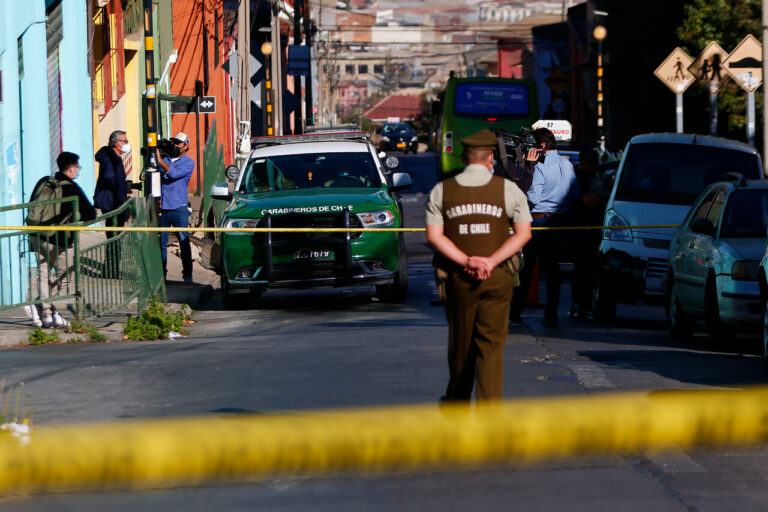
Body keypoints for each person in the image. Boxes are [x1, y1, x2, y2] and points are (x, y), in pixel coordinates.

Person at [426, 129, 532, 402]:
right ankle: (489, 414)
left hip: (458, 278)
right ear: (491, 159)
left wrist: (466, 260)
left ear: (463, 157)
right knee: (491, 346)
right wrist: (491, 261)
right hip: (498, 278)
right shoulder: (508, 189)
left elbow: (434, 236)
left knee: (461, 343)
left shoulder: (442, 190)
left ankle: (458, 402)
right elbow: (523, 234)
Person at [509, 127, 578, 327]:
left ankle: (515, 312)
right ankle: (551, 313)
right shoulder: (567, 165)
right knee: (552, 270)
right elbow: (574, 194)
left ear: (541, 146)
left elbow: (533, 197)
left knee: (527, 269)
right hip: (559, 221)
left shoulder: (539, 165)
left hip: (538, 219)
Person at [27, 152, 97, 328]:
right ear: (72, 168)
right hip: (58, 240)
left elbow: (32, 206)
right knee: (66, 274)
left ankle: (46, 313)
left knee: (43, 275)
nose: (77, 172)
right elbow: (91, 213)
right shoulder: (72, 187)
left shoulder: (44, 182)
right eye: (77, 168)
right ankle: (44, 307)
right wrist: (78, 218)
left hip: (36, 236)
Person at [567, 149, 605, 319]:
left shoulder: (594, 175)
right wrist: (604, 193)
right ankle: (579, 303)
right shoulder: (577, 178)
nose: (595, 166)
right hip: (579, 229)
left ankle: (586, 303)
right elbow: (588, 201)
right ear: (584, 163)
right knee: (581, 268)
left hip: (594, 229)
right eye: (592, 163)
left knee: (590, 269)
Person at [157, 132, 195, 282]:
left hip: (179, 208)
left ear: (186, 146)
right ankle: (162, 275)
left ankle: (187, 275)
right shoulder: (166, 159)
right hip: (165, 208)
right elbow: (159, 171)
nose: (175, 145)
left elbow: (173, 174)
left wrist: (160, 160)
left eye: (178, 143)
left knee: (184, 243)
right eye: (174, 143)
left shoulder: (188, 163)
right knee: (162, 244)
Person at [94, 130, 132, 277]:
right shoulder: (110, 159)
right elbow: (110, 179)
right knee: (114, 237)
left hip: (115, 201)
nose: (127, 144)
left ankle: (111, 269)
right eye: (125, 141)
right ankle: (111, 270)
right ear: (117, 143)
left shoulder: (114, 157)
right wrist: (121, 197)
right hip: (112, 204)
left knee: (115, 237)